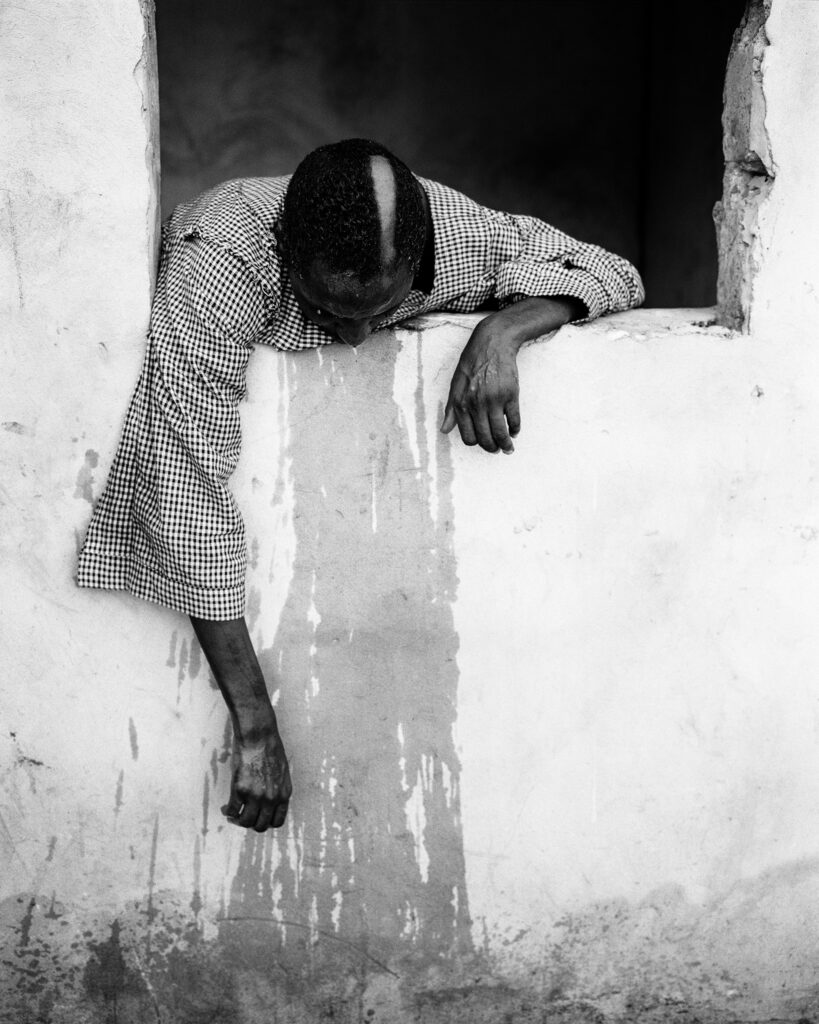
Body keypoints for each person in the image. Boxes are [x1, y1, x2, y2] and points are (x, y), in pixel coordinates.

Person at [77, 138, 644, 833]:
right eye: (327, 308)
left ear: (421, 262)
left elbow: (605, 268)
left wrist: (504, 329)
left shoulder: (454, 232)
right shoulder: (222, 259)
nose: (353, 338)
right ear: (286, 257)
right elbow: (185, 486)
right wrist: (255, 727)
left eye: (380, 310)